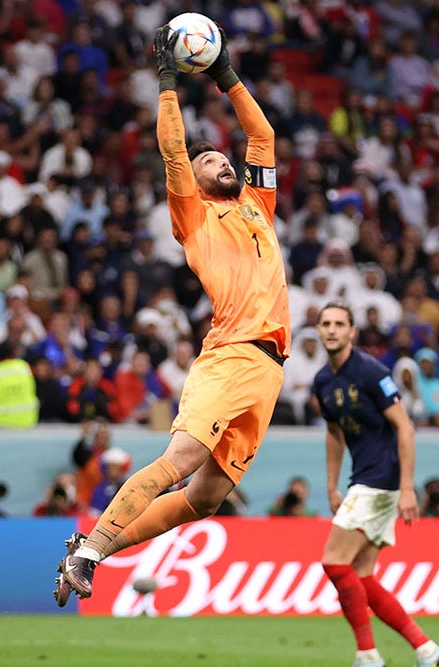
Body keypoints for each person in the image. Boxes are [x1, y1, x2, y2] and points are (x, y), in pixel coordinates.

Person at [54, 26, 291, 606]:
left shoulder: (258, 203)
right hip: (233, 353)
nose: (221, 161)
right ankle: (91, 551)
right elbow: (173, 152)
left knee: (206, 497)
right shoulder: (195, 217)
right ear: (200, 182)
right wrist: (167, 84)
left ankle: (90, 549)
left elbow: (262, 134)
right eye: (210, 160)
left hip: (270, 369)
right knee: (181, 460)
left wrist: (226, 76)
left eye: (222, 156)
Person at [312, 301, 439, 667]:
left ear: (353, 332)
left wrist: (407, 488)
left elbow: (405, 427)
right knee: (361, 574)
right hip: (362, 480)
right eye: (325, 323)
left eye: (340, 323)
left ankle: (368, 657)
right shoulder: (323, 381)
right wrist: (331, 485)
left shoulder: (372, 373)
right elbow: (333, 433)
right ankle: (426, 650)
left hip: (381, 479)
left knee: (333, 562)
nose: (332, 329)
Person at [0, 341, 39, 429]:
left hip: (2, 422)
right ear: (14, 353)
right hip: (27, 421)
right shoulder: (24, 367)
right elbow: (33, 388)